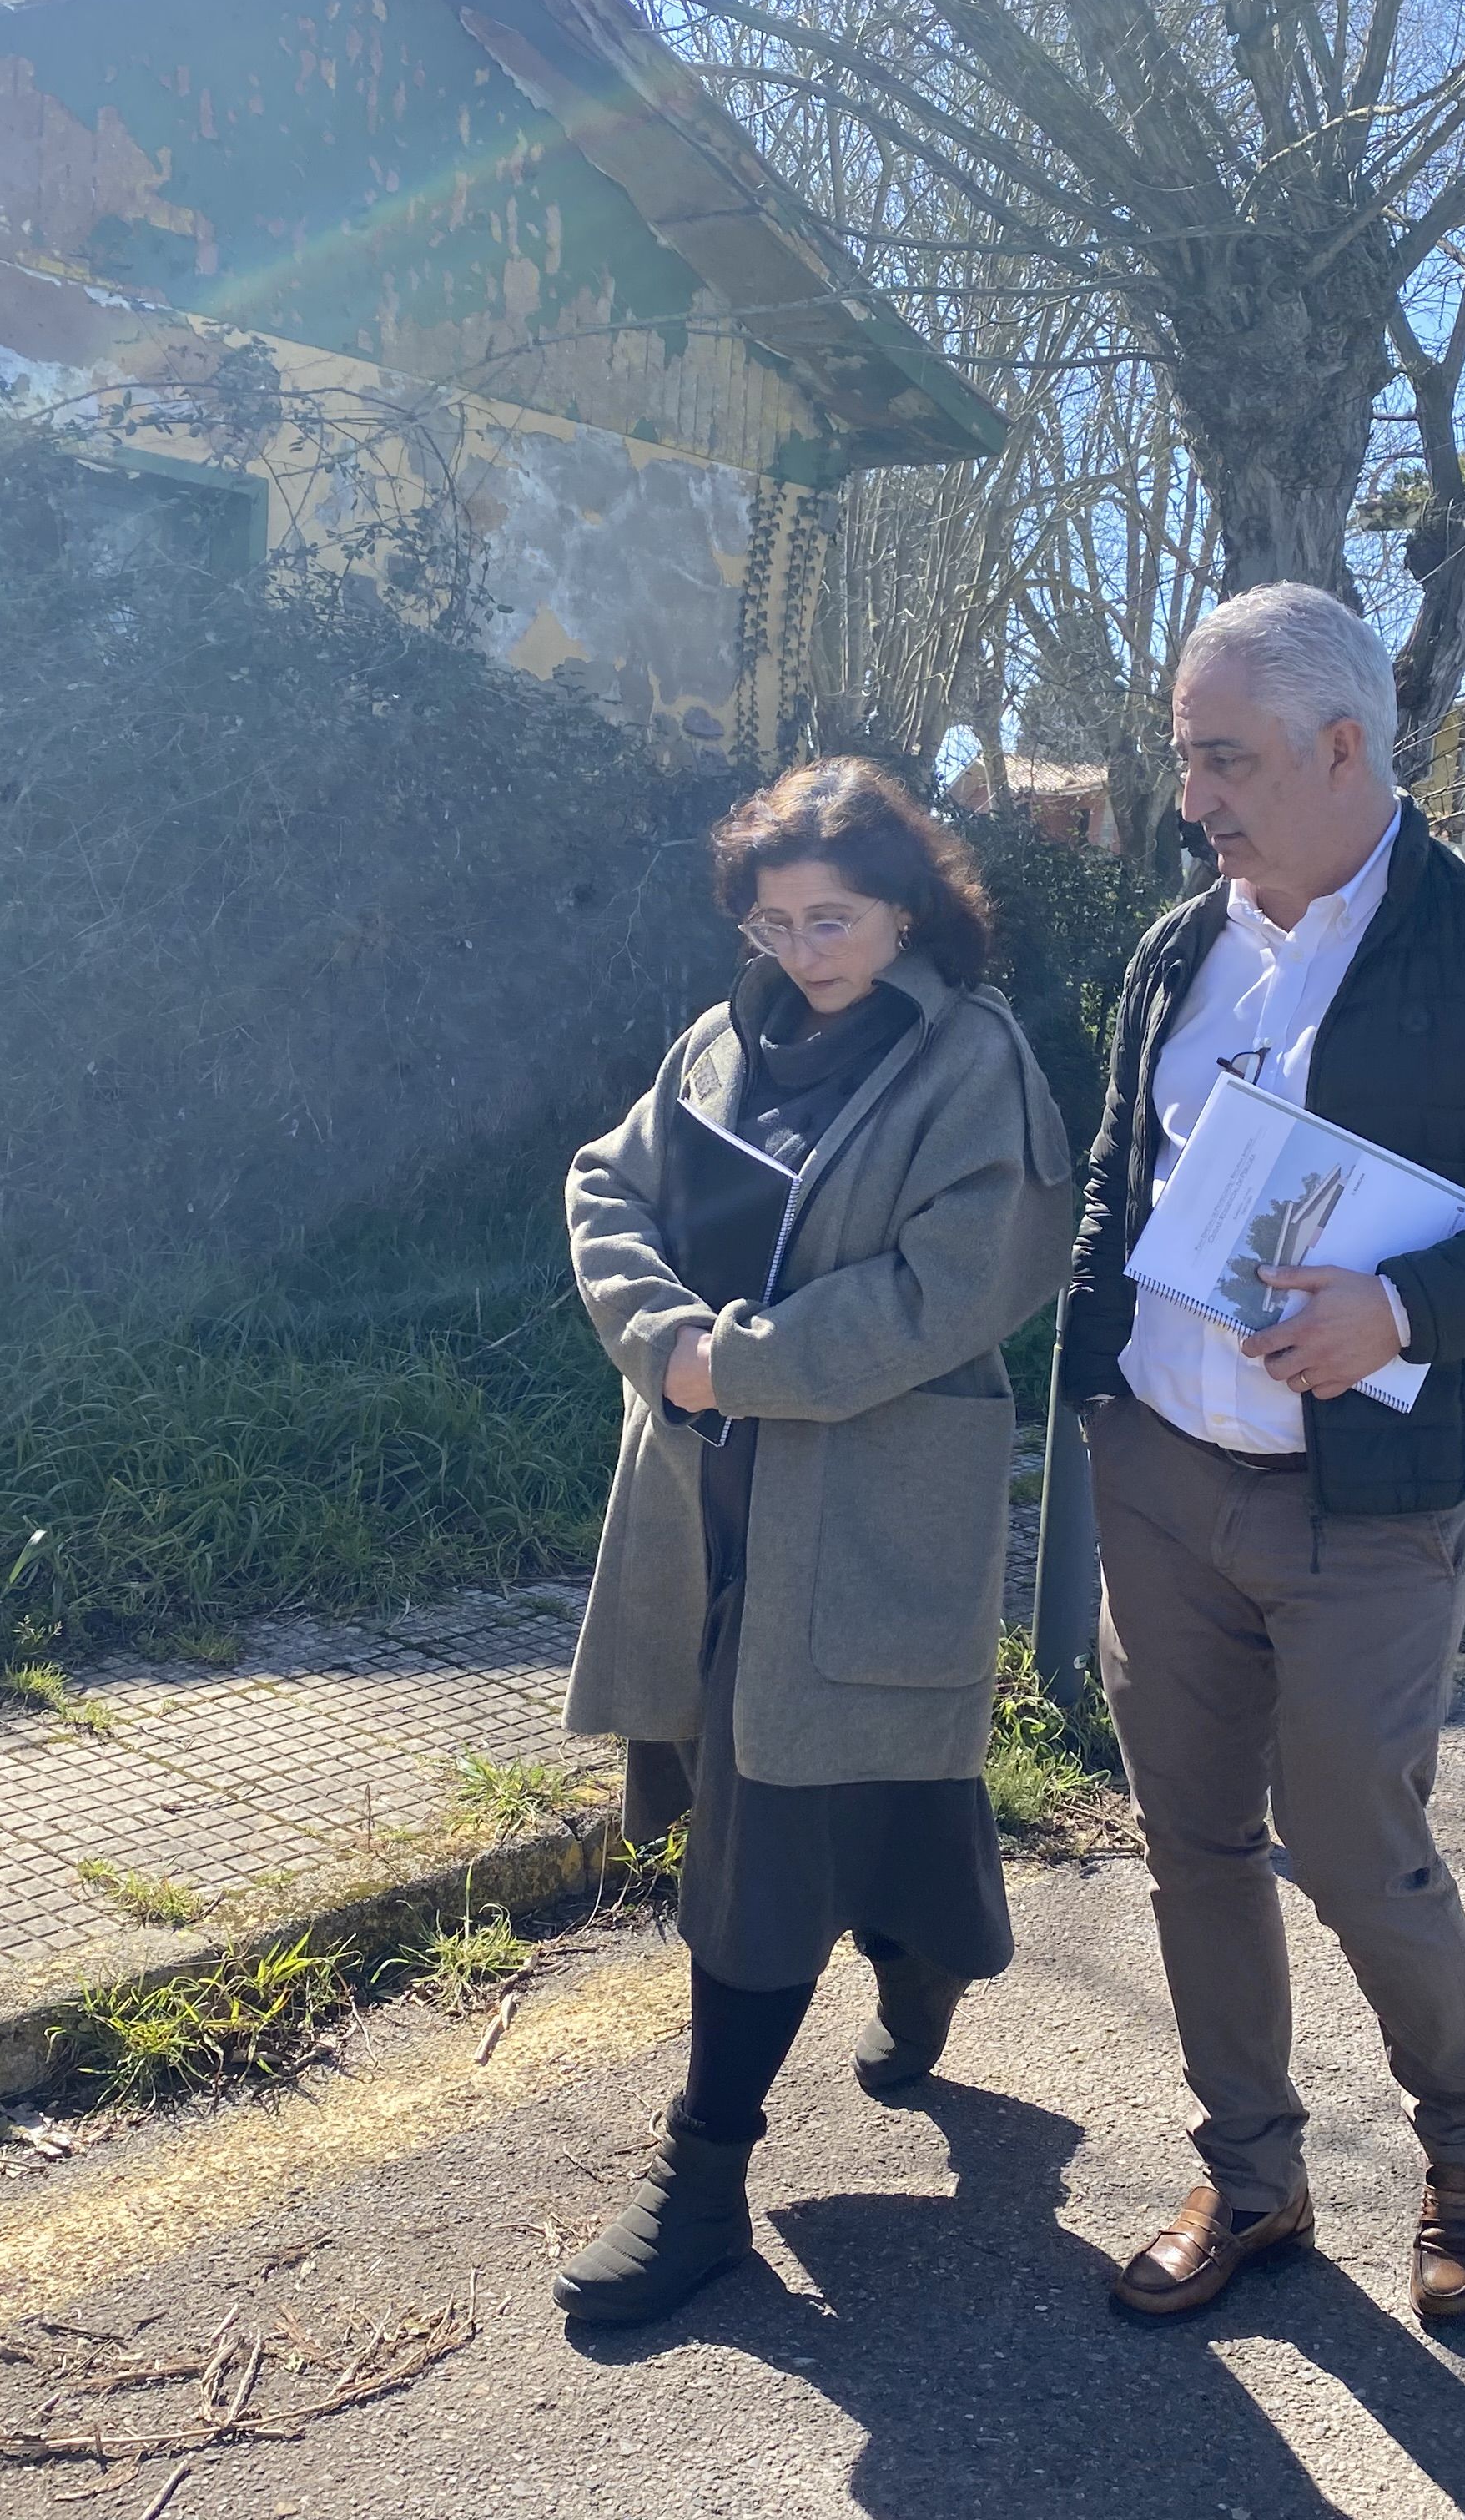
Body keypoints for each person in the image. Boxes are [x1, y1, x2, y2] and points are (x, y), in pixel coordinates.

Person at [1060, 584, 1465, 2324]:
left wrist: (1401, 1310)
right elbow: (1130, 1170)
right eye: (1186, 759)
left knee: (1348, 1840)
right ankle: (1253, 2182)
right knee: (1190, 1843)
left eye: (1226, 759)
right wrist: (1101, 1365)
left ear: (1345, 748)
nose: (1196, 796)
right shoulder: (1178, 946)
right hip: (1165, 1471)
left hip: (1375, 1500)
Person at [553, 757, 1077, 2326]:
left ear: (906, 908)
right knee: (795, 1792)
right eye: (774, 921)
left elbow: (967, 1281)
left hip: (865, 1509)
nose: (803, 950)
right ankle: (926, 1954)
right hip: (706, 1499)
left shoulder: (973, 1060)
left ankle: (702, 2182)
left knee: (777, 1833)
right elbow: (607, 1188)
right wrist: (668, 1345)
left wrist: (748, 1364)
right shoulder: (719, 1039)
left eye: (832, 917)